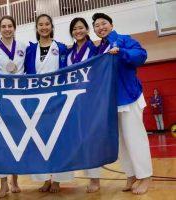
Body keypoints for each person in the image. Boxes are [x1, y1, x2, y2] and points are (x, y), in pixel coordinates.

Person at [92, 12, 152, 195]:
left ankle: (146, 176)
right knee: (122, 143)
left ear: (111, 24)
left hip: (129, 97)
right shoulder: (98, 49)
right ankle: (131, 175)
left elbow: (141, 56)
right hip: (110, 102)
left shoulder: (124, 40)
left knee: (135, 139)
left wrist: (122, 52)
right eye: (97, 25)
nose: (101, 27)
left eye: (104, 23)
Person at [24, 14, 73, 193]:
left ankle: (58, 179)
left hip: (57, 100)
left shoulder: (61, 48)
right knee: (39, 140)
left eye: (47, 24)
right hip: (36, 101)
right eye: (40, 25)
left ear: (51, 27)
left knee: (57, 140)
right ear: (36, 28)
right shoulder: (30, 50)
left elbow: (68, 72)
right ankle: (44, 178)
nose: (44, 27)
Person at [0, 15, 27, 198]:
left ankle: (15, 180)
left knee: (17, 141)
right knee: (2, 142)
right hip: (0, 100)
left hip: (19, 99)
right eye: (3, 26)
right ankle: (3, 183)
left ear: (14, 28)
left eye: (10, 26)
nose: (7, 29)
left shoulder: (23, 47)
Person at [66, 17, 102, 193]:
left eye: (81, 28)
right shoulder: (69, 52)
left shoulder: (95, 50)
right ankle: (88, 176)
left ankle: (95, 179)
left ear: (87, 30)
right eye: (74, 29)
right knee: (80, 139)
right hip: (73, 101)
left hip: (89, 100)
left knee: (91, 139)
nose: (78, 31)